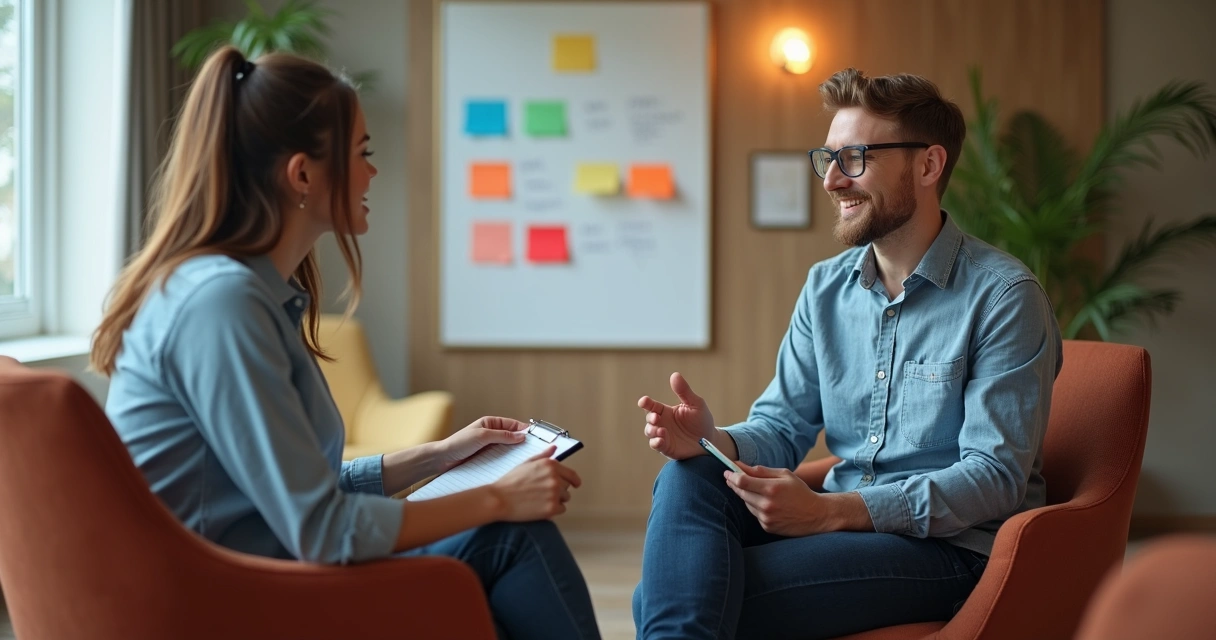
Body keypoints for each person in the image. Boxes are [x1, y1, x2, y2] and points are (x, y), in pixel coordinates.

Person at [90, 46, 601, 640]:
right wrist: (498, 500)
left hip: (254, 570)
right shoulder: (222, 305)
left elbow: (304, 489)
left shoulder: (238, 293)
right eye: (363, 153)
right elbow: (323, 531)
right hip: (228, 599)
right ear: (303, 174)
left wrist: (438, 456)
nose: (372, 173)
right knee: (511, 537)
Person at [632, 68, 1063, 639]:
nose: (833, 180)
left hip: (947, 549)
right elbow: (782, 425)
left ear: (928, 165)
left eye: (855, 156)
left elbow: (993, 479)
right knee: (690, 477)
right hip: (840, 520)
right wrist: (717, 441)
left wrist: (830, 513)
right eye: (827, 158)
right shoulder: (825, 287)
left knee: (683, 595)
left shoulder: (1004, 297)